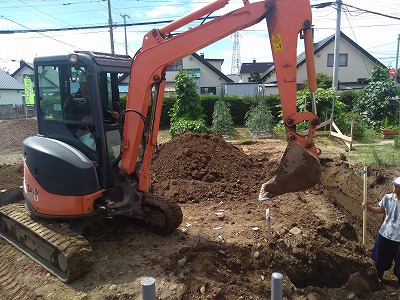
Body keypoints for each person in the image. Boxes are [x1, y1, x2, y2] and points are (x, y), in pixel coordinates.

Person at [362, 176, 400, 284]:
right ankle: (378, 279)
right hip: (385, 233)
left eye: (397, 186)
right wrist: (368, 207)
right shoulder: (388, 198)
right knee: (379, 259)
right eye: (394, 185)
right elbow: (382, 209)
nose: (394, 187)